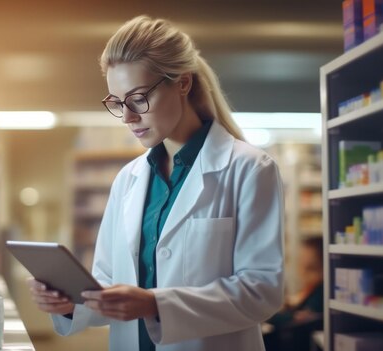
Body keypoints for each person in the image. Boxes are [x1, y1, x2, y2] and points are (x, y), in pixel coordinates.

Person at [27, 15, 284, 351]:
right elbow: (107, 281)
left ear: (182, 83)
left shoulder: (249, 168)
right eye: (118, 104)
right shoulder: (128, 180)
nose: (129, 117)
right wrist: (71, 302)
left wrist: (155, 304)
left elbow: (262, 291)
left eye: (137, 99)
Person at [264, 237, 324, 351]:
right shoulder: (310, 289)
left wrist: (266, 314)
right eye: (301, 266)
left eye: (310, 268)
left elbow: (299, 318)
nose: (303, 273)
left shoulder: (320, 292)